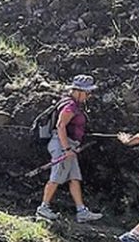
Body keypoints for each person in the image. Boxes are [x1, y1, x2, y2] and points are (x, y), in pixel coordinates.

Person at [35, 75, 103, 223]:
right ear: (78, 91)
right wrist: (66, 149)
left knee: (74, 178)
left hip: (69, 146)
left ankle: (81, 211)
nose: (89, 95)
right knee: (56, 177)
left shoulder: (75, 105)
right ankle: (43, 208)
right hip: (62, 145)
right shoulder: (70, 106)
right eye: (87, 92)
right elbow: (60, 126)